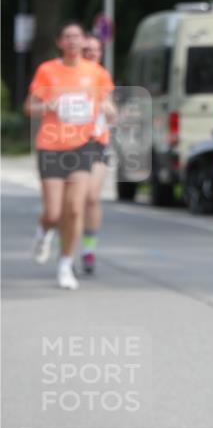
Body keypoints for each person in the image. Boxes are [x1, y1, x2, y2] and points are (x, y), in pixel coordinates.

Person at [24, 22, 115, 290]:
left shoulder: (96, 73)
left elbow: (107, 102)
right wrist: (45, 105)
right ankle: (44, 232)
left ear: (83, 41)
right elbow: (29, 106)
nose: (73, 41)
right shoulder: (47, 71)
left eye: (77, 36)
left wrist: (110, 110)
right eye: (68, 37)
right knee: (53, 213)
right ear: (60, 42)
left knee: (75, 208)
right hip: (51, 146)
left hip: (82, 146)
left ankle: (65, 264)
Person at [80, 33, 117, 274]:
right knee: (71, 203)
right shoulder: (66, 75)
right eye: (87, 51)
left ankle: (88, 249)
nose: (92, 55)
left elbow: (113, 113)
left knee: (91, 197)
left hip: (97, 143)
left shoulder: (102, 76)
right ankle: (67, 245)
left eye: (96, 51)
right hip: (68, 145)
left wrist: (107, 107)